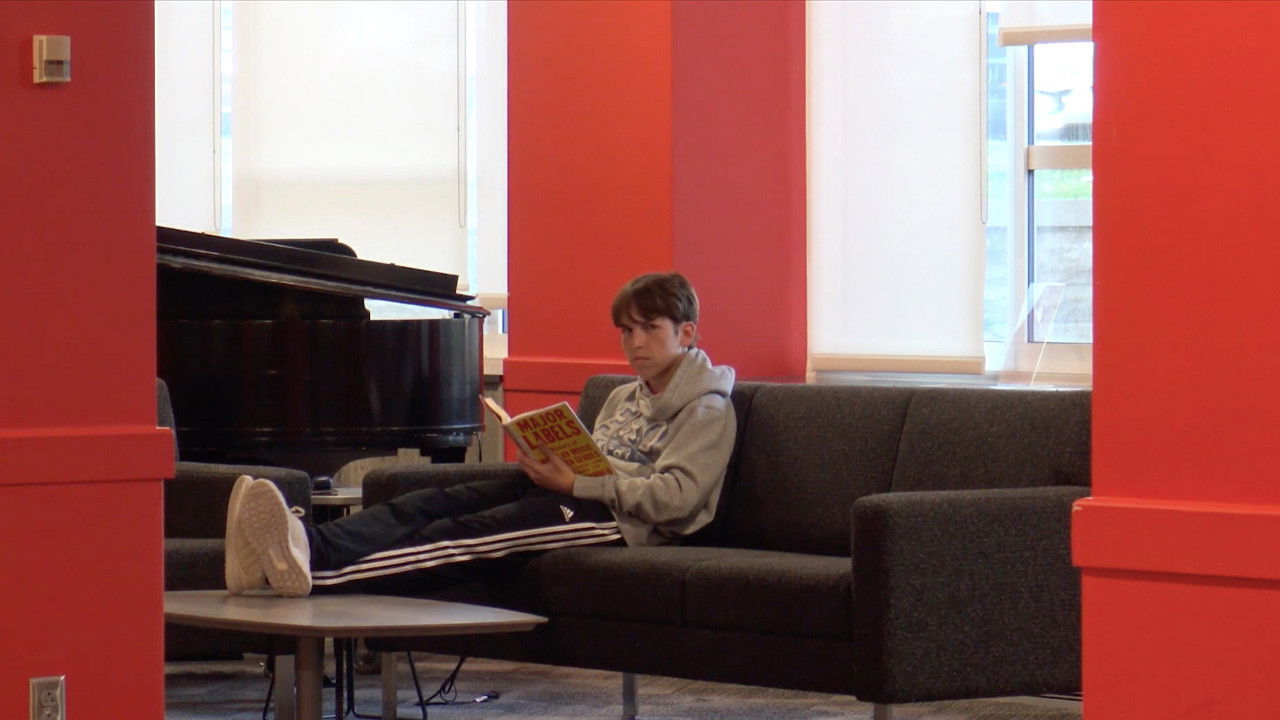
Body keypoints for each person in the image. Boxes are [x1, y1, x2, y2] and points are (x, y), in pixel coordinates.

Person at [225, 272, 737, 597]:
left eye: (649, 328)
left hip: (622, 524)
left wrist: (577, 484)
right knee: (430, 503)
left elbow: (677, 499)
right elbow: (597, 458)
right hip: (576, 490)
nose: (635, 342)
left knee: (466, 535)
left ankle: (305, 572)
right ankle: (304, 543)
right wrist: (552, 463)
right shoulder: (624, 395)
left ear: (686, 333)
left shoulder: (708, 409)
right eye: (626, 330)